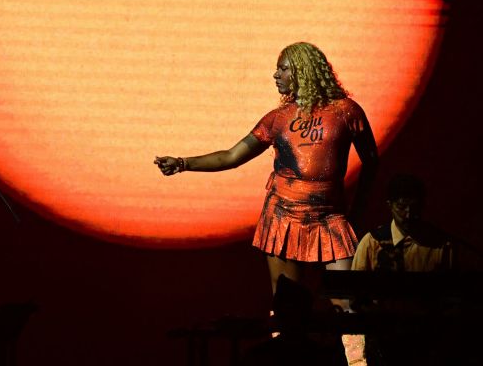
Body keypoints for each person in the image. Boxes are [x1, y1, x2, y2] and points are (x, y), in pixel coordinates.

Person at [155, 42, 378, 304]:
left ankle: (353, 347)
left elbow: (372, 162)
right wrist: (183, 163)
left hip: (331, 218)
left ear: (302, 71)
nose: (276, 75)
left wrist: (358, 209)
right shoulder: (277, 119)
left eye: (283, 69)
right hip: (283, 217)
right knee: (287, 303)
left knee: (347, 302)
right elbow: (232, 156)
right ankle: (284, 345)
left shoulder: (346, 111)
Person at [346, 173, 453, 365]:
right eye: (402, 207)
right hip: (381, 340)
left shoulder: (441, 244)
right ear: (389, 205)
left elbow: (451, 297)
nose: (409, 215)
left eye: (414, 208)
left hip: (425, 342)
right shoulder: (372, 242)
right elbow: (355, 295)